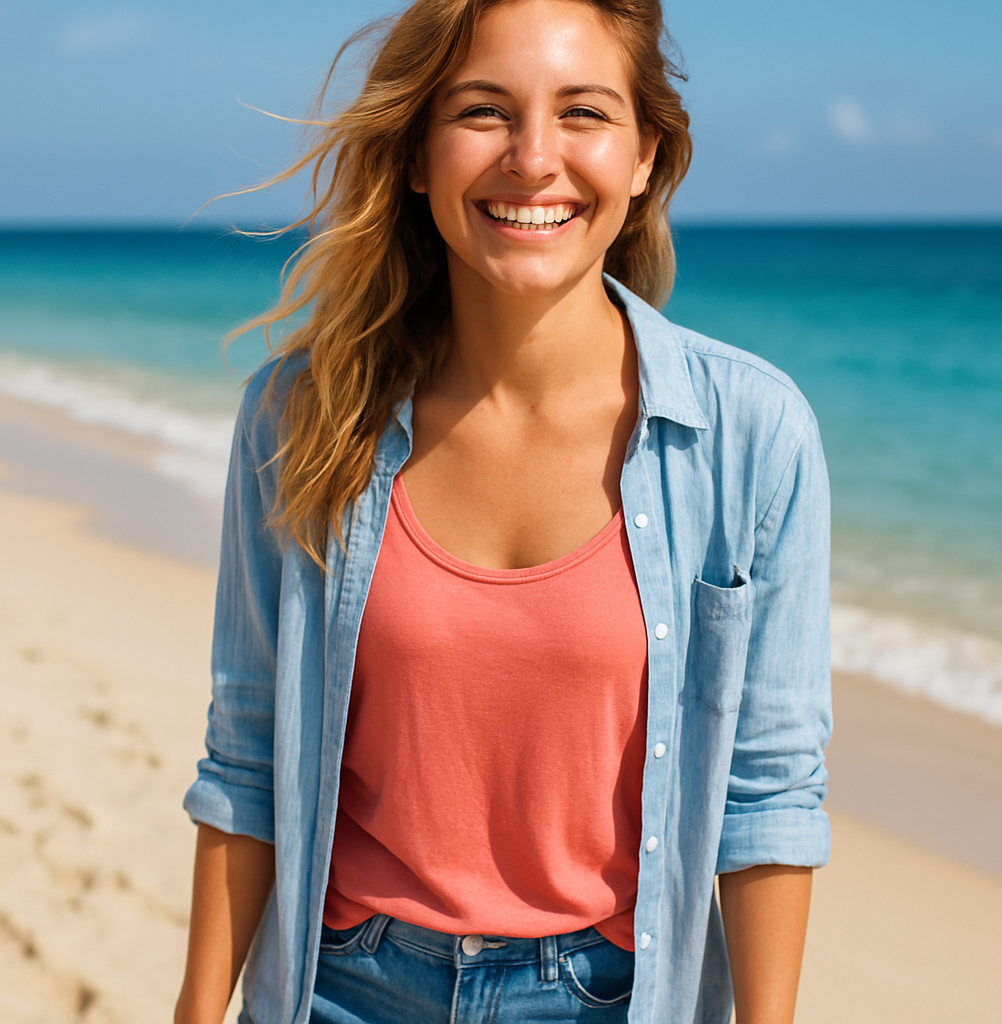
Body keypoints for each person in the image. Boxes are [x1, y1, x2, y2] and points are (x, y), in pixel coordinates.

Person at [174, 0, 832, 1021]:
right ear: (417, 155)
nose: (533, 159)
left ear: (645, 155)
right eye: (483, 111)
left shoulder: (750, 433)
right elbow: (248, 750)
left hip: (608, 994)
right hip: (342, 986)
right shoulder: (302, 416)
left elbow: (768, 791)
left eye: (583, 113)